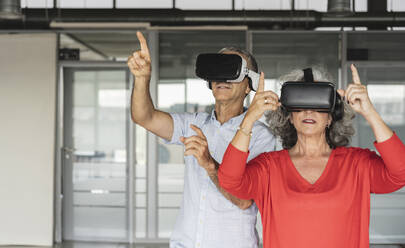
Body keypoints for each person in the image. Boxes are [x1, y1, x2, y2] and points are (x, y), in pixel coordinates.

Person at [218, 65, 405, 248]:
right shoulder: (269, 167)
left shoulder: (357, 164)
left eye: (318, 103)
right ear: (290, 116)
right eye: (300, 103)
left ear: (330, 117)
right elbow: (230, 180)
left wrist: (370, 112)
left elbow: (400, 172)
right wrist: (249, 118)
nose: (309, 111)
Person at [127, 31, 276, 248]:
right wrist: (142, 79)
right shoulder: (193, 124)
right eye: (218, 69)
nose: (223, 78)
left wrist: (209, 164)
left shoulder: (261, 136)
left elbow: (245, 201)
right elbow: (144, 117)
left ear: (249, 85)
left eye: (232, 70)